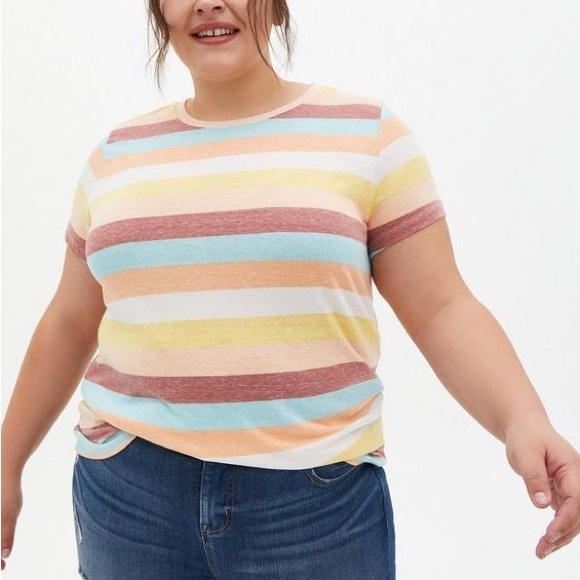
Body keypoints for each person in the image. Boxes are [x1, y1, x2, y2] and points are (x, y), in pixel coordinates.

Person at [2, 0, 579, 577]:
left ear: (277, 8)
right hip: (130, 495)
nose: (207, 3)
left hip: (315, 501)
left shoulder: (368, 136)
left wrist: (523, 420)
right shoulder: (115, 155)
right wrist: (6, 464)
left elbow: (441, 307)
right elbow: (70, 321)